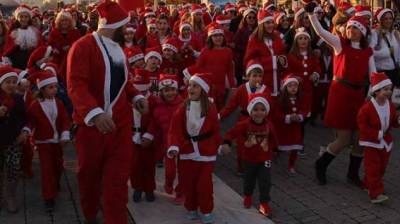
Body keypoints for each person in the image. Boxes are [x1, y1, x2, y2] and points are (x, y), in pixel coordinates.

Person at [66, 1, 148, 223]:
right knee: (89, 177)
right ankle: (90, 215)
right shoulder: (82, 47)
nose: (129, 30)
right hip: (91, 128)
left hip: (120, 126)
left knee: (117, 181)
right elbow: (76, 85)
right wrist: (95, 113)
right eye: (126, 26)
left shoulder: (118, 49)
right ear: (115, 26)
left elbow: (122, 81)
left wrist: (136, 96)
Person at [305, 2, 376, 186]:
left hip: (359, 96)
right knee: (344, 139)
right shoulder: (340, 44)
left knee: (360, 139)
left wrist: (375, 96)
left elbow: (373, 76)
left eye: (356, 28)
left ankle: (352, 175)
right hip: (340, 95)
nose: (351, 30)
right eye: (350, 27)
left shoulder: (368, 51)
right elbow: (320, 32)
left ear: (363, 32)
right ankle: (321, 164)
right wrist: (312, 15)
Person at [167, 73, 228, 224]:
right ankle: (191, 207)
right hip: (187, 152)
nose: (190, 88)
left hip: (206, 153)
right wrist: (174, 146)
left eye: (195, 86)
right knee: (189, 183)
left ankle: (206, 210)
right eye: (190, 85)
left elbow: (215, 131)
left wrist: (220, 145)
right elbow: (174, 130)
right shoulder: (182, 108)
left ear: (203, 89)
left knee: (204, 185)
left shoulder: (211, 109)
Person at [222, 93, 277, 217]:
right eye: (255, 110)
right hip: (249, 158)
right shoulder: (244, 124)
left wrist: (276, 149)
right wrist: (227, 142)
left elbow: (273, 138)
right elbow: (232, 132)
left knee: (265, 181)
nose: (259, 113)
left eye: (263, 110)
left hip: (265, 159)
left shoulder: (269, 125)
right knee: (249, 179)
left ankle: (264, 203)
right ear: (250, 111)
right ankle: (247, 195)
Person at [26, 70, 71, 210]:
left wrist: (65, 134)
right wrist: (27, 132)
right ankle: (48, 197)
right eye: (50, 87)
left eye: (55, 86)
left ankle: (55, 184)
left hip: (57, 142)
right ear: (42, 89)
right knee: (47, 170)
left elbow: (64, 119)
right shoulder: (35, 106)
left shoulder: (58, 102)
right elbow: (30, 122)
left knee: (58, 166)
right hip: (43, 142)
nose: (55, 90)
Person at [219, 59, 272, 175]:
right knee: (242, 146)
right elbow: (231, 106)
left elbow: (268, 107)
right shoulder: (242, 89)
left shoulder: (266, 90)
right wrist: (220, 115)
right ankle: (241, 167)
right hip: (244, 119)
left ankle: (258, 167)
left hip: (260, 121)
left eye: (259, 76)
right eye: (254, 76)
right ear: (248, 76)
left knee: (258, 146)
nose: (257, 79)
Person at [358, 72, 400, 204]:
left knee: (382, 167)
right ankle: (375, 193)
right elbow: (362, 126)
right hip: (371, 143)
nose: (388, 92)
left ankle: (367, 184)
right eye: (385, 89)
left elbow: (393, 121)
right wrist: (376, 134)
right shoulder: (367, 108)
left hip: (385, 143)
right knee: (373, 167)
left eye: (389, 89)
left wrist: (398, 121)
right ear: (376, 91)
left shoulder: (390, 105)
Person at [142, 74, 184, 204]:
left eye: (172, 89)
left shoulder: (183, 105)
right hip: (167, 143)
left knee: (183, 170)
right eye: (166, 90)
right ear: (161, 92)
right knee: (170, 170)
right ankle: (169, 183)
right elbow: (154, 125)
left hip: (183, 142)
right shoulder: (158, 108)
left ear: (176, 90)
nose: (170, 93)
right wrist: (149, 135)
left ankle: (181, 192)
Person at [0, 65, 29, 213]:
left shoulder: (18, 99)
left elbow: (25, 118)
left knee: (13, 169)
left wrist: (24, 132)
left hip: (14, 141)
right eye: (7, 82)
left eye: (14, 82)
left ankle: (10, 195)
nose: (11, 85)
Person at [244, 9, 287, 97]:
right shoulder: (254, 40)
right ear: (261, 25)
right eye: (267, 23)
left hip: (278, 80)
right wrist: (274, 61)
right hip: (262, 80)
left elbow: (283, 53)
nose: (270, 25)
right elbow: (250, 60)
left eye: (272, 22)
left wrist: (283, 59)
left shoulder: (277, 37)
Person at [129, 69, 157, 203]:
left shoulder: (153, 99)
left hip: (147, 138)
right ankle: (137, 188)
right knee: (134, 166)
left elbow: (155, 119)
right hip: (133, 136)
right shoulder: (129, 100)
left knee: (149, 165)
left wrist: (150, 135)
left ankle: (149, 189)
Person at [195, 22, 235, 109]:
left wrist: (232, 86)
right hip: (207, 86)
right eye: (215, 36)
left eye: (220, 35)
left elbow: (230, 70)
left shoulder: (228, 51)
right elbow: (198, 68)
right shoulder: (205, 51)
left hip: (221, 86)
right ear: (210, 38)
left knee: (220, 108)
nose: (218, 38)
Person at [275, 75, 306, 174]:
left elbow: (304, 110)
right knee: (281, 144)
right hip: (284, 128)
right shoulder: (281, 100)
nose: (293, 88)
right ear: (285, 88)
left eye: (295, 86)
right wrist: (288, 117)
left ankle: (291, 165)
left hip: (295, 127)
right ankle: (274, 155)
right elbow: (277, 114)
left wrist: (300, 116)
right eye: (290, 86)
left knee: (295, 146)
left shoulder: (300, 99)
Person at [3, 4, 41, 69]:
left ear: (29, 18)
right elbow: (8, 50)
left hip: (33, 64)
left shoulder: (35, 31)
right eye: (21, 17)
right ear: (17, 18)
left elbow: (39, 47)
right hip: (16, 65)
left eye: (26, 17)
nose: (23, 19)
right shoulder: (12, 32)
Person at [48, 9, 81, 82]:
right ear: (59, 21)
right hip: (58, 61)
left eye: (66, 20)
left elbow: (80, 45)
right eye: (62, 20)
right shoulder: (54, 32)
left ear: (70, 21)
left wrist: (71, 47)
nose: (64, 22)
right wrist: (56, 49)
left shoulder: (76, 32)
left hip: (72, 61)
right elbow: (50, 46)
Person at [369, 8, 400, 88]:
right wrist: (387, 52)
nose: (388, 21)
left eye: (390, 18)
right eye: (385, 18)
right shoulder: (375, 33)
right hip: (382, 73)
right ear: (381, 20)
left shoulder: (394, 33)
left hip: (395, 71)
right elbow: (370, 52)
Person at [234, 8, 257, 84]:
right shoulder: (240, 30)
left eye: (254, 17)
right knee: (245, 81)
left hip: (255, 58)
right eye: (249, 17)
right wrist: (248, 48)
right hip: (242, 59)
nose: (252, 19)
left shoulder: (258, 30)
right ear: (245, 18)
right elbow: (236, 45)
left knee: (255, 80)